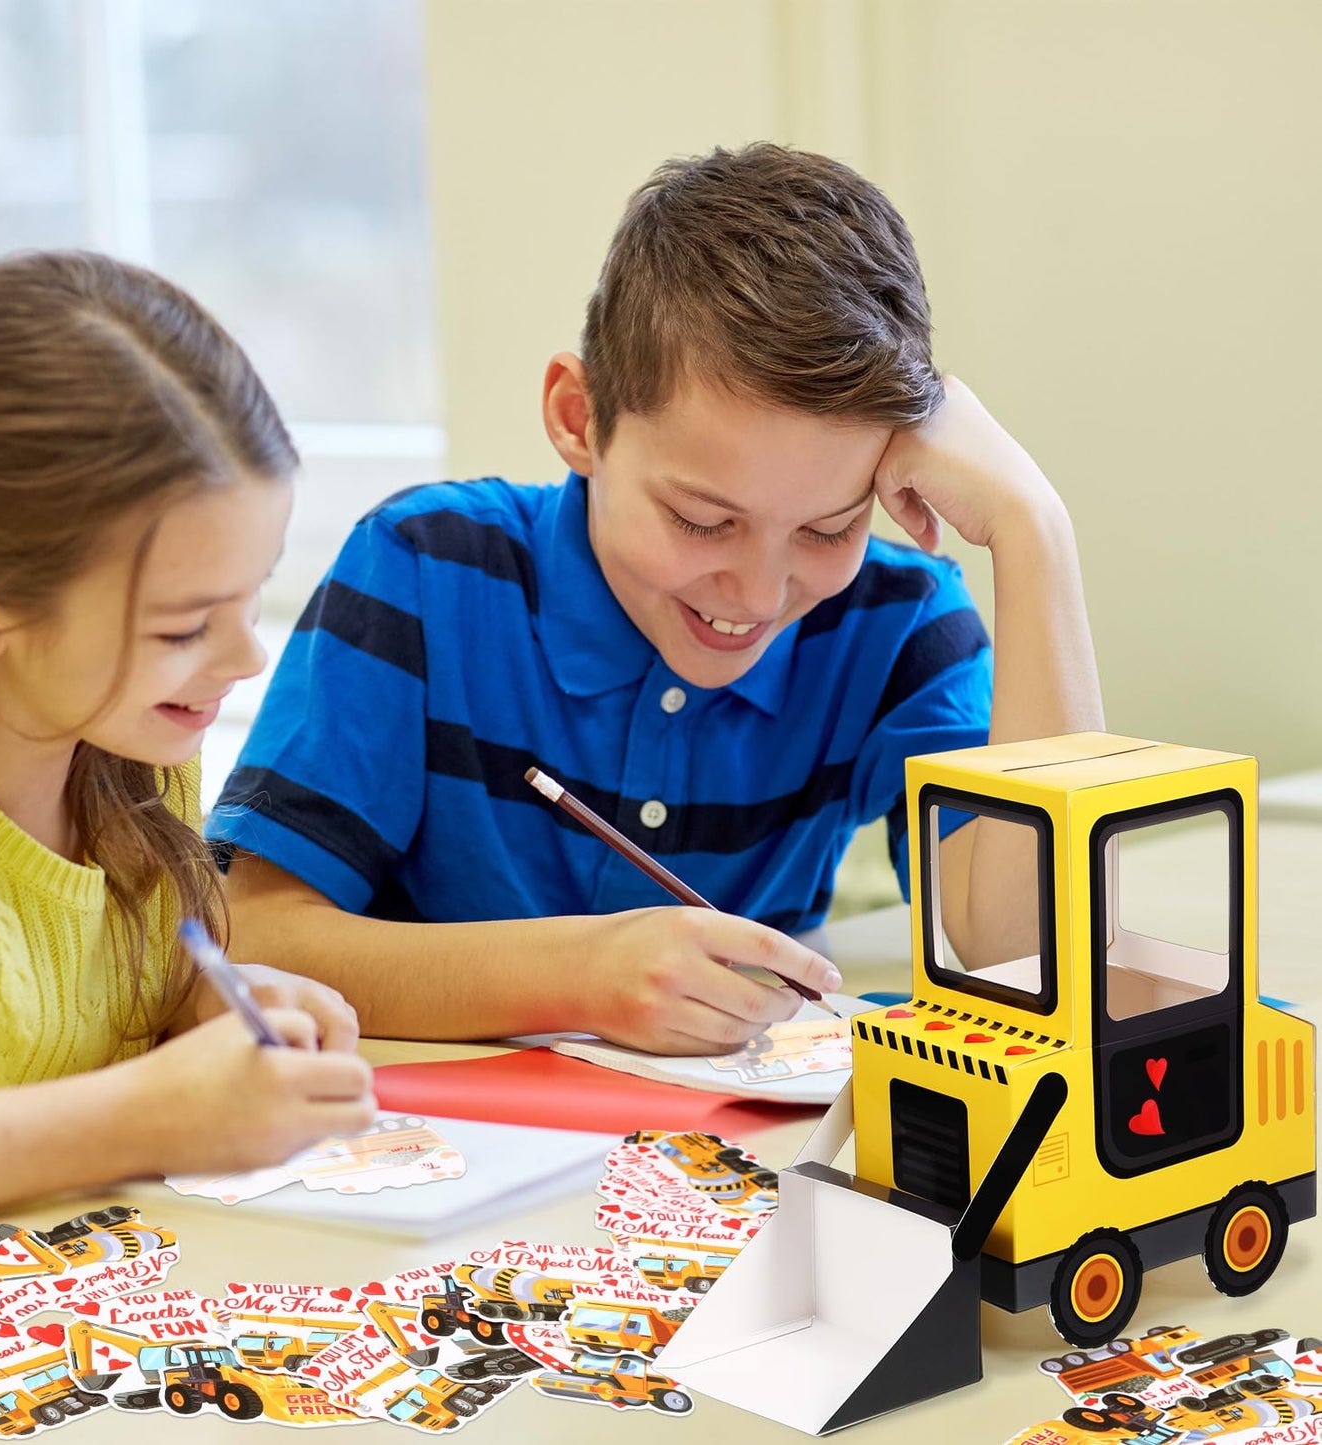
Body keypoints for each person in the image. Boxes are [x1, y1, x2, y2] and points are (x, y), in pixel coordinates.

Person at [210, 143, 1103, 1055]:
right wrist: (580, 975)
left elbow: (1030, 956)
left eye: (827, 529)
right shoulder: (426, 568)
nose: (757, 594)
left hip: (730, 1165)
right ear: (577, 418)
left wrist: (1033, 533)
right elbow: (251, 941)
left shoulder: (896, 624)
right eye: (701, 521)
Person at [0, 251, 375, 1237]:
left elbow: (89, 1000)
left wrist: (207, 1005)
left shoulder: (135, 748)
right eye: (183, 626)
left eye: (253, 591)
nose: (245, 656)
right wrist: (145, 1114)